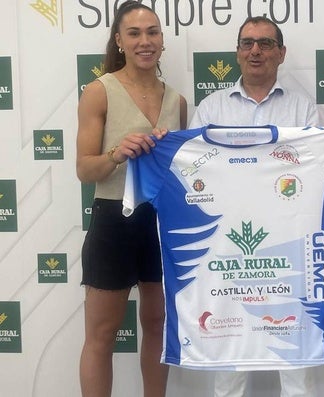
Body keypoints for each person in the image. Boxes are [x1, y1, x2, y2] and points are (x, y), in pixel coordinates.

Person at [189, 16, 318, 397]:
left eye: (265, 43)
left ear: (281, 53)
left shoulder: (302, 110)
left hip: (287, 245)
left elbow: (317, 171)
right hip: (228, 245)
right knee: (230, 347)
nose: (255, 51)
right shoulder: (211, 109)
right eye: (247, 43)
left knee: (295, 347)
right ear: (237, 52)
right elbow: (191, 169)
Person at [76, 2, 187, 396]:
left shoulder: (177, 101)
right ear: (119, 41)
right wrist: (115, 153)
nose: (146, 41)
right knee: (102, 333)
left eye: (153, 32)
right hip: (113, 220)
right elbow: (84, 170)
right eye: (135, 33)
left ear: (162, 40)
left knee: (157, 324)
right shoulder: (99, 91)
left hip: (161, 223)